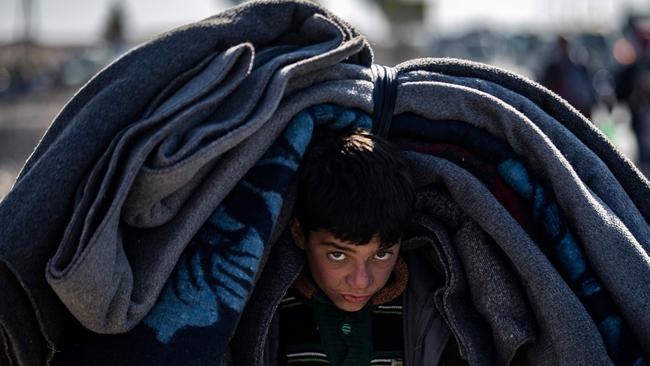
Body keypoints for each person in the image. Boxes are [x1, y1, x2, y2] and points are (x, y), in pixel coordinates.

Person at [273, 127, 463, 365]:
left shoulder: (428, 308)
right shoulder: (272, 315)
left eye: (381, 254)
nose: (361, 281)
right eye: (338, 255)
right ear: (299, 233)